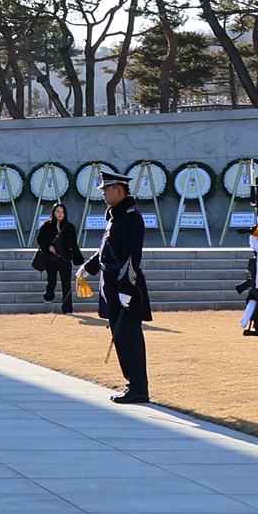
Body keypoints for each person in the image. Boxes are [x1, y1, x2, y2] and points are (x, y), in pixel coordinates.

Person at [80, 172, 151, 405]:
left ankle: (139, 388)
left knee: (129, 338)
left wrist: (126, 288)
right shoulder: (116, 216)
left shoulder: (131, 217)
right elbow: (107, 248)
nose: (103, 194)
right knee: (120, 337)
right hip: (111, 284)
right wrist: (90, 266)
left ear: (119, 190)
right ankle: (132, 384)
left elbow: (131, 256)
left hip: (123, 286)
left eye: (106, 189)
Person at [36, 202, 79, 314]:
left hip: (65, 259)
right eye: (58, 211)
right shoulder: (46, 226)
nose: (60, 214)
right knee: (52, 281)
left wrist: (77, 257)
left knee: (67, 284)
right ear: (53, 212)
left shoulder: (70, 227)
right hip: (51, 259)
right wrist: (48, 246)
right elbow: (40, 240)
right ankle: (49, 296)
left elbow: (74, 244)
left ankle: (67, 309)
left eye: (62, 212)